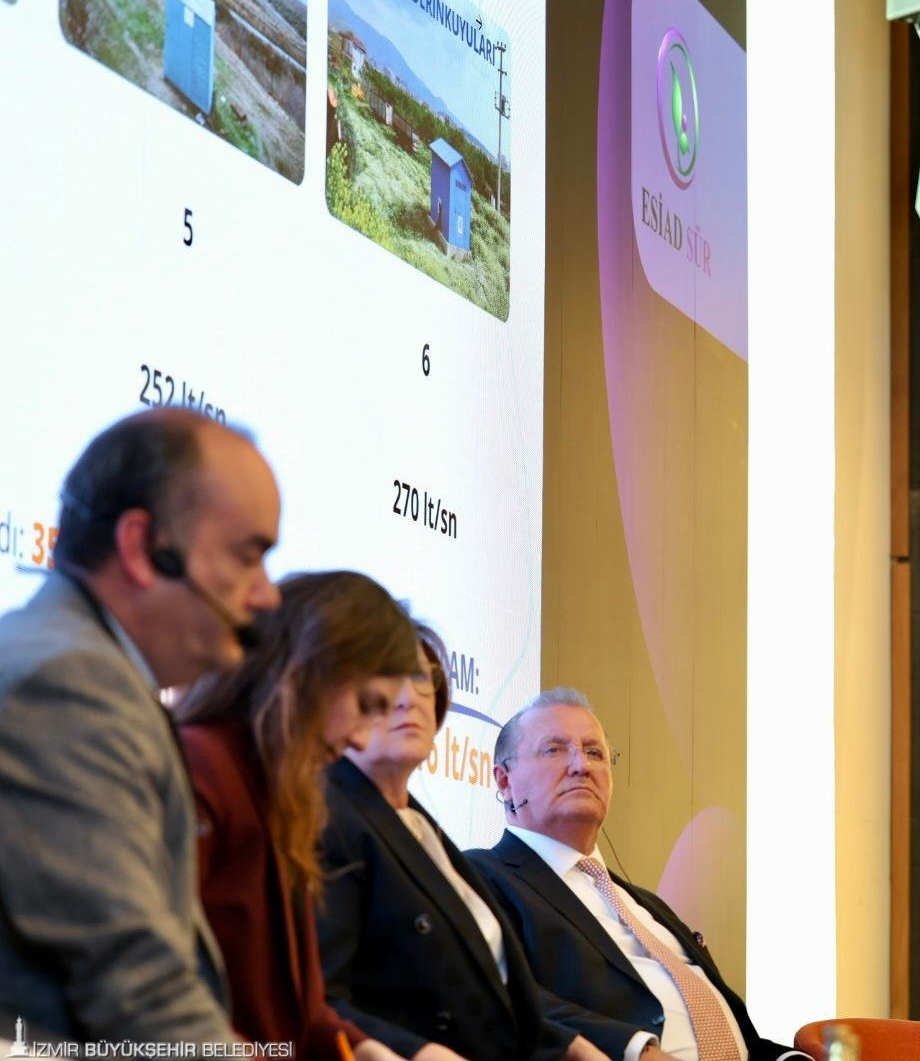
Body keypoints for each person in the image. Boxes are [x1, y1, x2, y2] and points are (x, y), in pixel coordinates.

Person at [0, 409, 280, 1044]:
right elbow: (140, 993)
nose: (268, 597)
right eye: (249, 557)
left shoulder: (79, 667)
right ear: (143, 548)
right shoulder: (72, 687)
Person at [316, 625, 608, 1061]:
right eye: (388, 677)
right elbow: (319, 998)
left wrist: (568, 1044)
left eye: (422, 679)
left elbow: (493, 1001)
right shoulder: (326, 818)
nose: (410, 698)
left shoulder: (423, 832)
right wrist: (417, 1051)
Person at [466, 689, 803, 1061]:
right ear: (504, 781)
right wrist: (635, 1049)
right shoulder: (479, 877)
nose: (581, 766)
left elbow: (739, 1033)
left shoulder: (647, 906)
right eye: (554, 750)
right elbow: (494, 991)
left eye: (595, 752)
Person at [174, 570, 419, 1061]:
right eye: (365, 705)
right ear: (310, 668)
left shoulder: (284, 800)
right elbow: (158, 1000)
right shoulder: (199, 768)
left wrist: (361, 1047)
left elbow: (297, 1011)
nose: (360, 739)